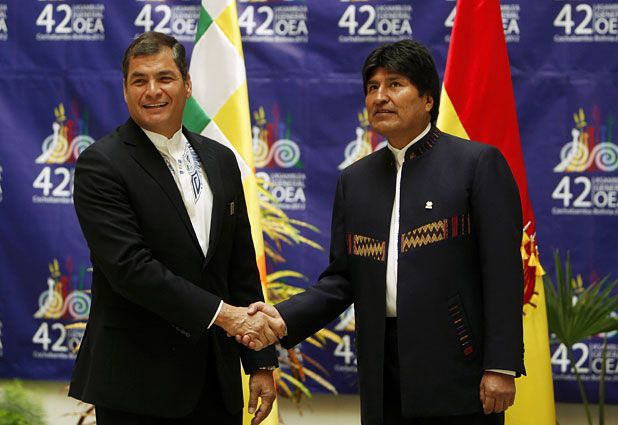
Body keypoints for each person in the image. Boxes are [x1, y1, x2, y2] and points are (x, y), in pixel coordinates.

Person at [242, 40, 525, 425]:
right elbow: (342, 280)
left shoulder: (476, 164)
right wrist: (281, 318)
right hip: (381, 370)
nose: (380, 97)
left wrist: (501, 365)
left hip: (460, 369)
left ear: (427, 99)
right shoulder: (355, 180)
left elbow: (503, 273)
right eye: (372, 87)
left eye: (395, 84)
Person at [68, 31, 284, 425]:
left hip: (216, 382)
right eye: (140, 80)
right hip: (138, 385)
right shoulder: (102, 164)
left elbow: (239, 268)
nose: (153, 90)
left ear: (187, 85)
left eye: (165, 78)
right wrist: (225, 315)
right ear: (125, 90)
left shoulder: (221, 159)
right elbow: (130, 269)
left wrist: (260, 362)